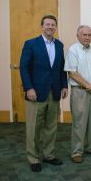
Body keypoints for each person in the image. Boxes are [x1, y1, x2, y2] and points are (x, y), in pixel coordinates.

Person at [19, 15, 68, 172]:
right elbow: (24, 68)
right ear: (42, 26)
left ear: (56, 27)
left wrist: (64, 86)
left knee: (51, 126)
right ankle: (33, 158)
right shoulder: (31, 44)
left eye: (53, 25)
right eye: (47, 24)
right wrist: (29, 88)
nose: (50, 27)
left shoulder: (59, 45)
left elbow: (61, 69)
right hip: (35, 92)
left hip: (54, 92)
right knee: (34, 128)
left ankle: (49, 155)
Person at [64, 25, 91, 163]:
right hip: (80, 92)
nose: (87, 37)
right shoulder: (73, 50)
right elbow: (72, 73)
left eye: (89, 35)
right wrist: (88, 86)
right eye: (84, 35)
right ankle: (76, 152)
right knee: (79, 123)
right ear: (78, 36)